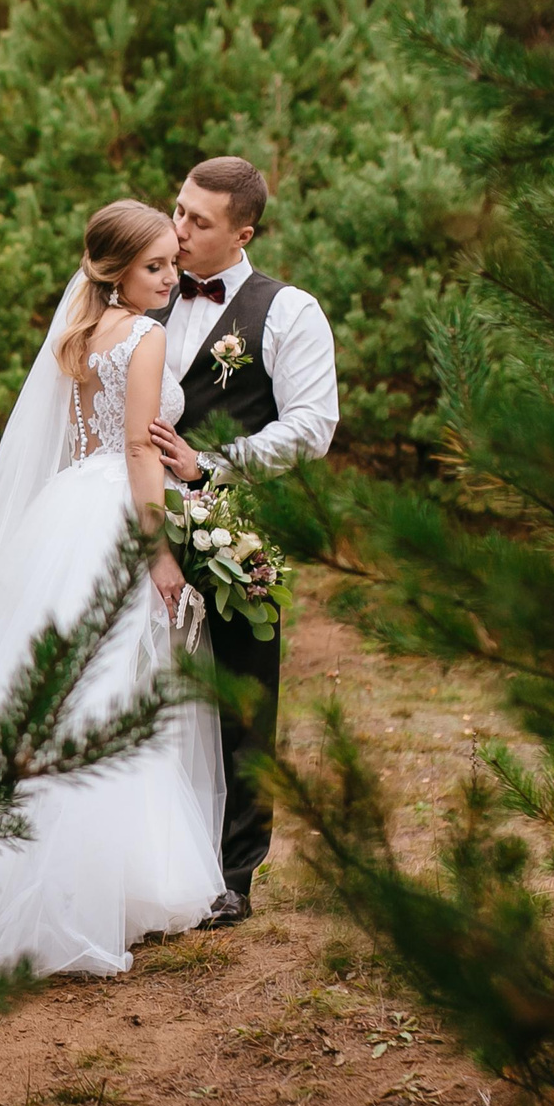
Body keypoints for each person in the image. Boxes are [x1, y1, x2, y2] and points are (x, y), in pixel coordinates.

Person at [0, 200, 228, 980]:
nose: (170, 276)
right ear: (114, 268)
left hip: (65, 514)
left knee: (37, 687)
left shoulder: (81, 335)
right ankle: (88, 889)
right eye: (154, 265)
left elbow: (89, 437)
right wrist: (159, 554)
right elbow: (134, 450)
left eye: (171, 263)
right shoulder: (148, 336)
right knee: (105, 695)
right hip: (118, 515)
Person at [145, 156, 340, 926]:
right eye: (178, 210)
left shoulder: (289, 312)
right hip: (136, 519)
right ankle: (148, 862)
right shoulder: (145, 284)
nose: (180, 229)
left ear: (243, 233)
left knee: (240, 696)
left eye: (199, 221)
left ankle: (234, 875)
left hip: (233, 525)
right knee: (143, 687)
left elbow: (313, 427)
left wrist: (213, 465)